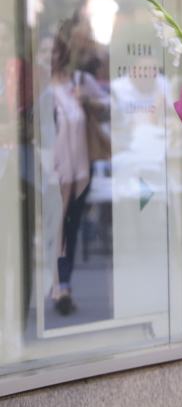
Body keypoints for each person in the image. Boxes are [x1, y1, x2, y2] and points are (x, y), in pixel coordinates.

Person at [47, 16, 107, 316]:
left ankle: (64, 285)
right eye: (48, 53)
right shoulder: (43, 88)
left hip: (81, 170)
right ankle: (56, 285)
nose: (53, 57)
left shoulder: (80, 83)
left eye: (57, 52)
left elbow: (110, 106)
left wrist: (89, 102)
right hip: (52, 172)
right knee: (54, 228)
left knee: (70, 227)